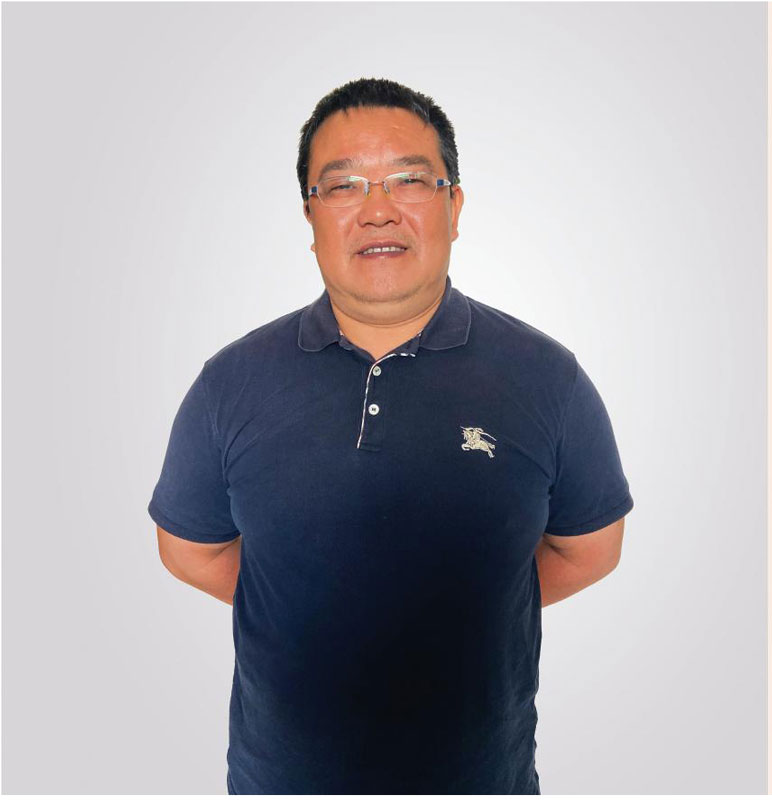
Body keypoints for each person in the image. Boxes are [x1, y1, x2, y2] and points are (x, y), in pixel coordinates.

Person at [148, 77, 634, 795]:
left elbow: (590, 549)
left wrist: (456, 604)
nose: (377, 210)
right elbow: (189, 549)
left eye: (409, 180)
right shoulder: (232, 382)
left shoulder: (546, 378)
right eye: (343, 187)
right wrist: (317, 606)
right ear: (311, 215)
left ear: (454, 205)